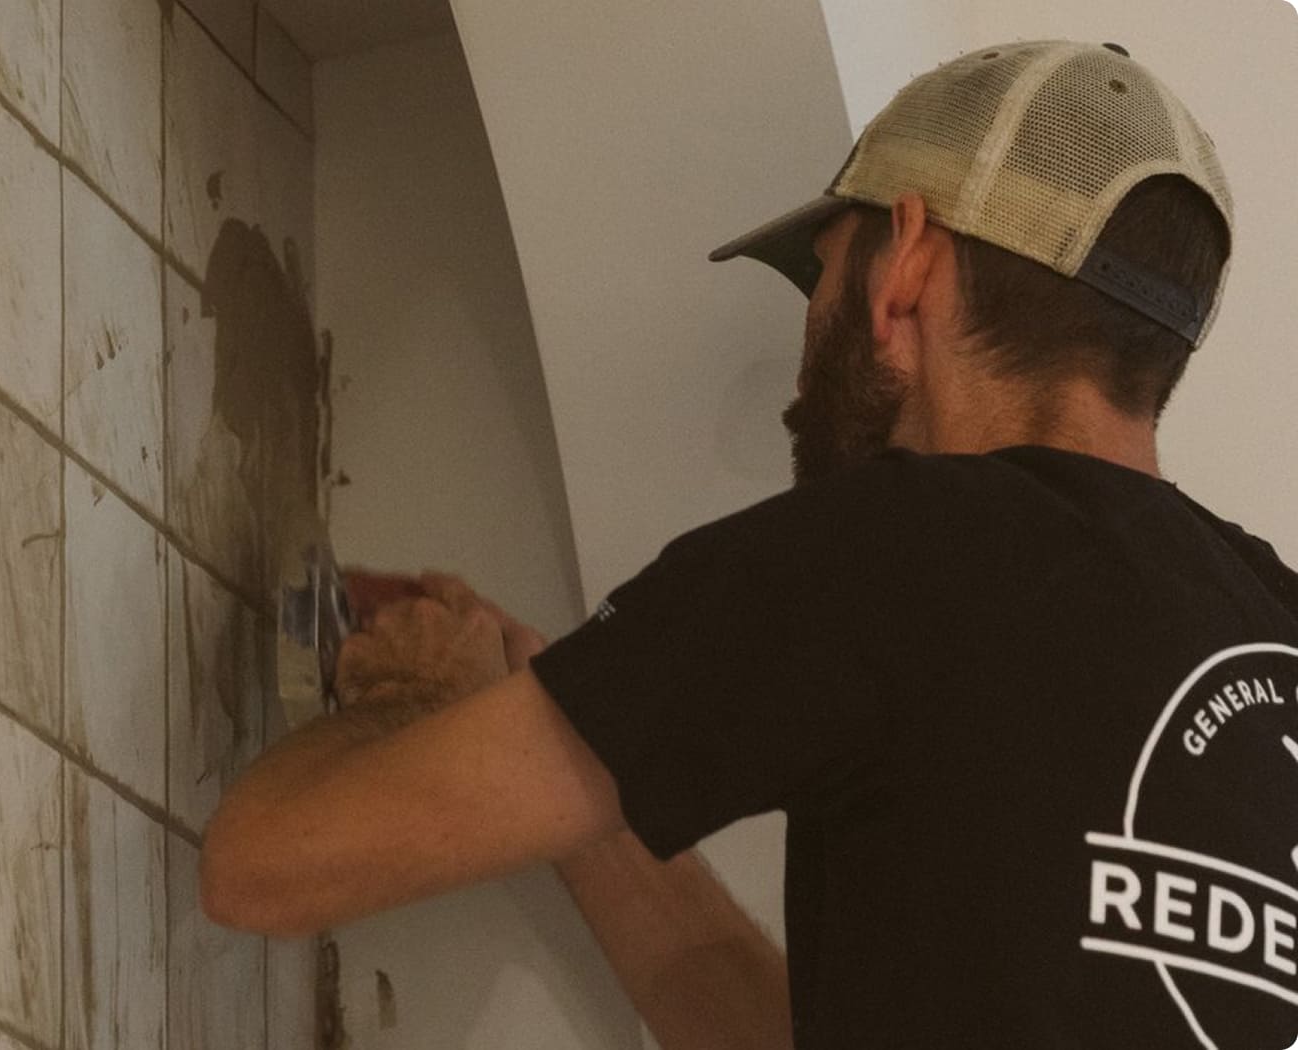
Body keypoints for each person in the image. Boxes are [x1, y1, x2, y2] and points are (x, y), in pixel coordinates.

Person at [199, 39, 1298, 1048]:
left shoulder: (890, 552)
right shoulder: (1277, 625)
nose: (812, 326)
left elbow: (268, 865)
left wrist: (403, 702)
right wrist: (580, 726)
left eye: (823, 272)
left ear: (908, 262)